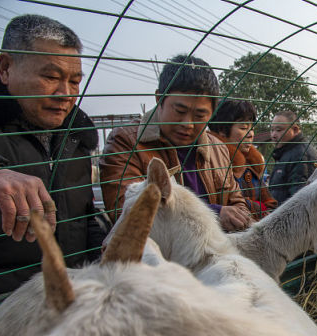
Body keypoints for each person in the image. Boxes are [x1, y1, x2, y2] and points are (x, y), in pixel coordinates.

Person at [0, 15, 105, 297]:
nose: (65, 93)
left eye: (75, 81)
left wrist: (107, 247)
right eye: (51, 77)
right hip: (2, 311)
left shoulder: (76, 140)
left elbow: (83, 215)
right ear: (5, 69)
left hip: (72, 302)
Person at [100, 54, 251, 232]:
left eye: (200, 115)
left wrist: (238, 217)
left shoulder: (218, 149)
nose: (188, 124)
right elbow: (128, 212)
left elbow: (238, 204)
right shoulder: (125, 142)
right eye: (179, 111)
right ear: (159, 99)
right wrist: (214, 214)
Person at [209, 99, 277, 219]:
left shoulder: (252, 165)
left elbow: (270, 203)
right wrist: (258, 208)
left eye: (251, 128)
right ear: (222, 130)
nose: (251, 134)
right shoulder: (211, 162)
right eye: (243, 128)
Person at [269, 110, 317, 204]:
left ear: (295, 130)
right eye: (272, 130)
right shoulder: (286, 153)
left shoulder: (300, 155)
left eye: (278, 130)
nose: (273, 135)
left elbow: (299, 198)